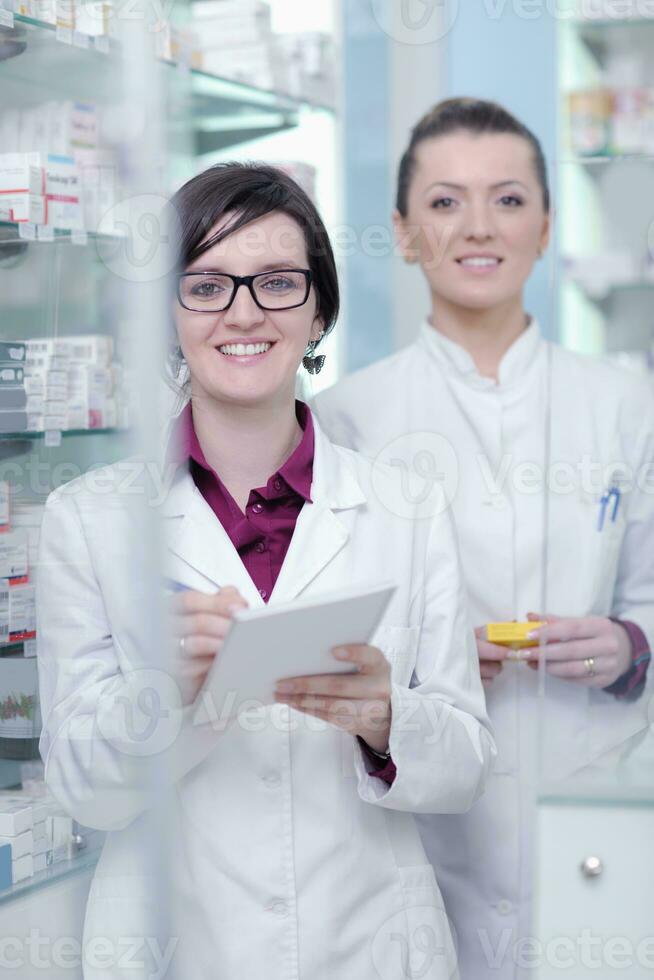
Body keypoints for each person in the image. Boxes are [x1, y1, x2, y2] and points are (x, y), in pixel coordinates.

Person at [36, 162, 495, 980]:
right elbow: (82, 791)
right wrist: (164, 691)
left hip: (371, 946)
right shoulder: (90, 519)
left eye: (278, 283)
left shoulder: (409, 508)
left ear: (318, 310)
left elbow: (464, 768)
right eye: (206, 285)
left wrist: (388, 721)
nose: (243, 313)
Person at [313, 99, 654, 980]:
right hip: (421, 836)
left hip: (598, 801)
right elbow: (326, 626)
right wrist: (428, 661)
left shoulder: (626, 403)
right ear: (402, 232)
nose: (477, 227)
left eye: (507, 200)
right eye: (443, 202)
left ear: (546, 226)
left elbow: (651, 596)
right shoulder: (348, 416)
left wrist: (627, 644)